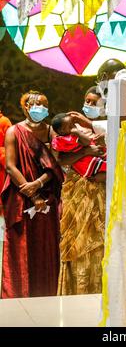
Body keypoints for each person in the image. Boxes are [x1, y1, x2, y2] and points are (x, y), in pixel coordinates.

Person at [0, 91, 64, 298]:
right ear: (26, 106)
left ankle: (47, 291)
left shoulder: (50, 132)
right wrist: (28, 188)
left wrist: (38, 184)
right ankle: (18, 293)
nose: (42, 110)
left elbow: (56, 164)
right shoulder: (13, 131)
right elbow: (10, 166)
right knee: (21, 244)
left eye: (45, 106)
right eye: (38, 106)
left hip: (46, 196)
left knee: (46, 243)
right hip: (21, 196)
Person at [56, 86, 106, 295]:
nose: (89, 105)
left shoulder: (111, 126)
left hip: (102, 188)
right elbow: (62, 159)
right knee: (78, 236)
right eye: (87, 101)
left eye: (95, 102)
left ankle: (101, 286)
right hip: (77, 187)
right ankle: (78, 288)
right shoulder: (70, 127)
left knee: (100, 237)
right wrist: (86, 150)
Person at [51, 113, 106, 180]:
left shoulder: (73, 135)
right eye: (70, 126)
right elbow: (87, 142)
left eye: (73, 124)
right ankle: (94, 178)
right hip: (85, 163)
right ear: (62, 131)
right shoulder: (70, 137)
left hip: (90, 158)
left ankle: (94, 177)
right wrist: (78, 133)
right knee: (108, 169)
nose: (74, 127)